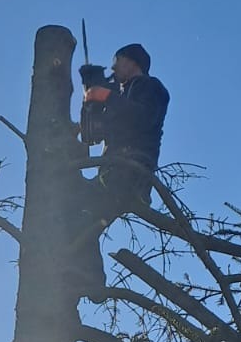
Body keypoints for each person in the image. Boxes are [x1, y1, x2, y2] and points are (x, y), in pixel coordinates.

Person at [72, 42, 169, 295]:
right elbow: (91, 137)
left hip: (131, 172)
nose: (113, 67)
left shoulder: (150, 87)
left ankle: (92, 282)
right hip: (112, 173)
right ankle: (84, 278)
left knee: (83, 216)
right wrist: (90, 100)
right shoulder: (121, 96)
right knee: (74, 208)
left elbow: (142, 118)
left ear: (132, 62)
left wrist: (106, 95)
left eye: (117, 61)